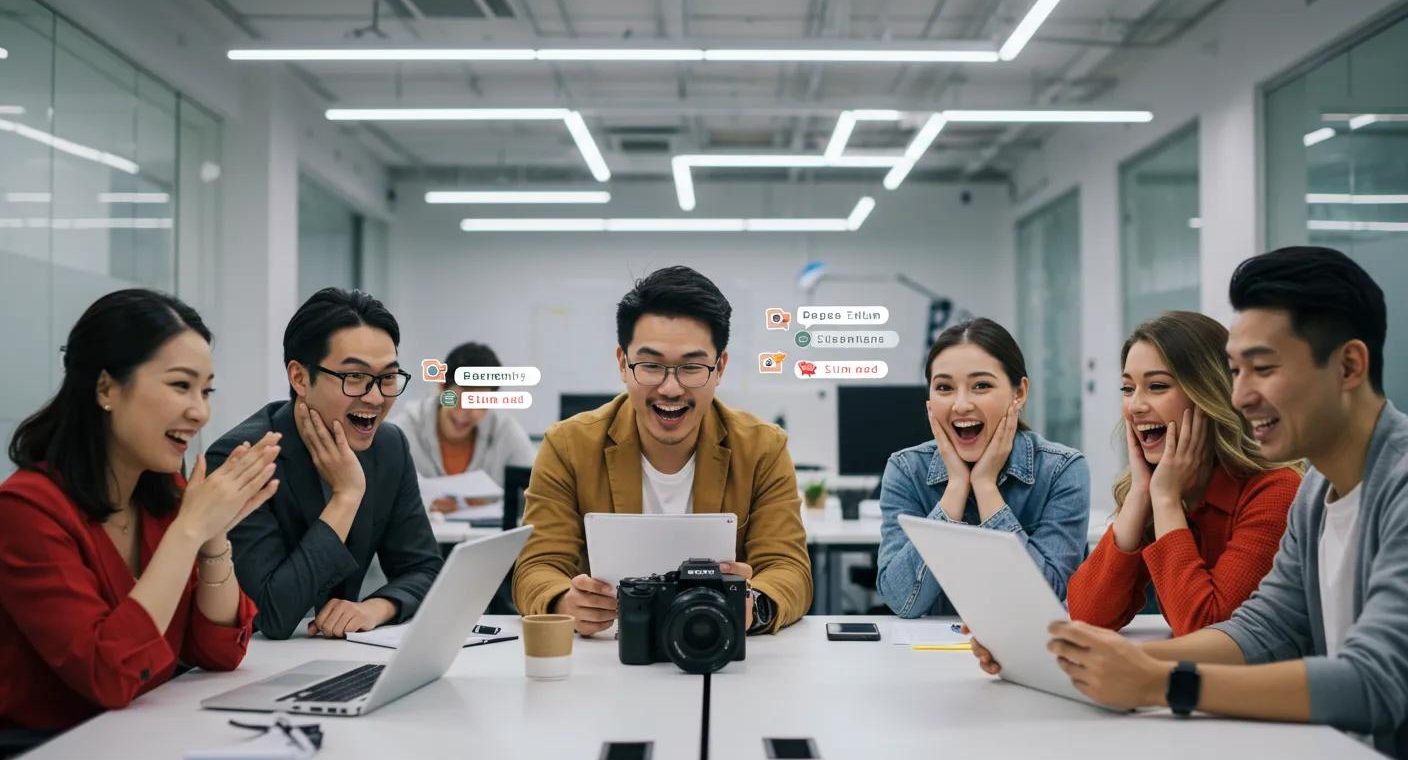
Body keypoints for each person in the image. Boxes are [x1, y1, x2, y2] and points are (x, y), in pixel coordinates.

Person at [971, 247, 1408, 757]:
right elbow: (1262, 627)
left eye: (1262, 369)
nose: (1240, 397)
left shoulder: (1385, 487)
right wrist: (1071, 659)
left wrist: (1162, 682)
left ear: (1349, 366)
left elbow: (1377, 681)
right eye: (1236, 373)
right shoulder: (1318, 493)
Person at [0, 289, 277, 732]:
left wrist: (212, 536)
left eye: (206, 391)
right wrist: (189, 529)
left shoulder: (161, 493)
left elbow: (219, 651)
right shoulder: (26, 509)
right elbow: (109, 675)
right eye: (180, 386)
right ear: (107, 387)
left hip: (144, 734)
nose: (201, 412)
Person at [512, 266, 811, 635]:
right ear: (623, 364)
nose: (670, 389)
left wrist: (756, 604)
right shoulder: (567, 446)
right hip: (607, 659)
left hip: (718, 650)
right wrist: (563, 601)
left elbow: (788, 567)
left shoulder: (763, 447)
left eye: (691, 367)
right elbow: (536, 566)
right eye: (651, 365)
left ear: (720, 368)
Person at [207, 288, 443, 640]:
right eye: (355, 378)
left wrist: (376, 608)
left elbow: (424, 569)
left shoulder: (388, 447)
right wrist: (346, 497)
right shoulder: (243, 458)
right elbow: (269, 614)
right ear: (300, 378)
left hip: (339, 659)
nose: (375, 397)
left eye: (388, 378)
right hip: (251, 669)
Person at [1066, 311, 1301, 636]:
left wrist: (1165, 501)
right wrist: (1139, 496)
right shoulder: (1154, 486)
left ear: (1210, 396)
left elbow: (1208, 630)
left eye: (1157, 386)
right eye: (1127, 388)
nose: (1135, 406)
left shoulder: (1277, 491)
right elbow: (1088, 617)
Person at [877, 317, 1090, 618]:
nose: (961, 404)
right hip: (930, 658)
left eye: (981, 385)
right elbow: (902, 602)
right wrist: (955, 490)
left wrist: (986, 487)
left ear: (1019, 393)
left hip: (1026, 656)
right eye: (944, 387)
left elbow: (1047, 599)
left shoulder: (1062, 470)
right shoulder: (906, 469)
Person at [390, 341, 535, 513]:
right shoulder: (402, 430)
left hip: (487, 537)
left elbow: (540, 493)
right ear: (442, 387)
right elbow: (381, 495)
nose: (465, 412)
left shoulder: (505, 431)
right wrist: (426, 504)